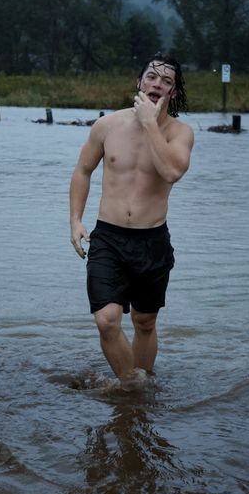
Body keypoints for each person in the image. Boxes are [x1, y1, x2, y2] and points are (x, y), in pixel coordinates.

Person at [69, 53, 195, 386]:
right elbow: (83, 170)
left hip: (152, 240)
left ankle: (143, 384)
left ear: (174, 93)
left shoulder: (180, 133)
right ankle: (132, 388)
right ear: (139, 82)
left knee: (144, 321)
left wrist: (150, 123)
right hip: (108, 237)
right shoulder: (107, 126)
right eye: (152, 77)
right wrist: (75, 220)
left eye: (167, 81)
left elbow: (170, 170)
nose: (158, 84)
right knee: (107, 321)